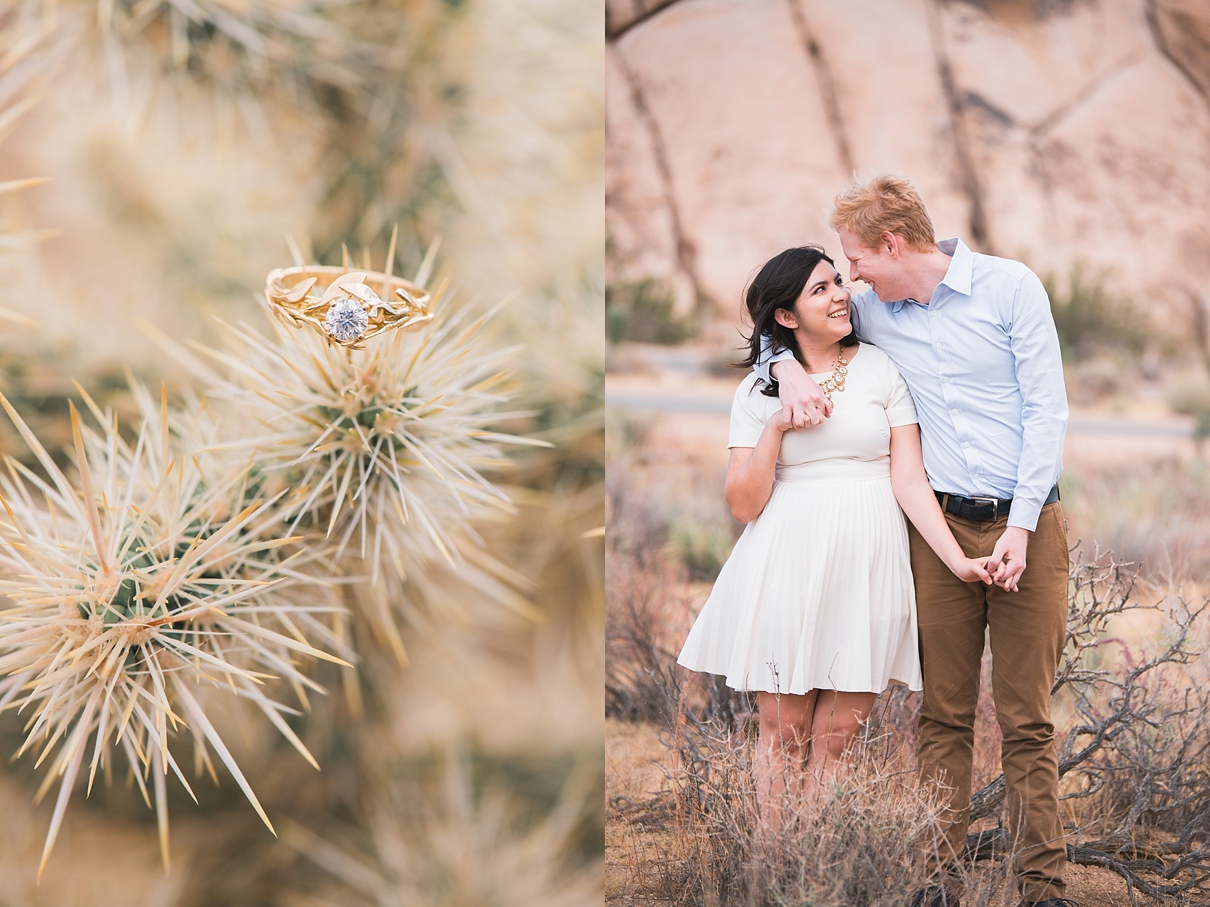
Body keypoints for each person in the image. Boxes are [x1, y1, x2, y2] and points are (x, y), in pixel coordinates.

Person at [757, 175, 1071, 907]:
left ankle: (1044, 887)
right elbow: (783, 327)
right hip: (938, 532)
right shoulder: (873, 311)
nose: (851, 279)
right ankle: (936, 881)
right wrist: (778, 368)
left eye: (856, 260)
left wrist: (1020, 528)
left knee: (1027, 718)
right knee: (945, 714)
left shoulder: (1010, 288)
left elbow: (1048, 413)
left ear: (892, 245)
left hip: (1030, 522)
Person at [677, 244, 991, 835]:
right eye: (819, 289)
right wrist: (776, 424)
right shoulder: (756, 394)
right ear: (786, 316)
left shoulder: (880, 369)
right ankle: (774, 873)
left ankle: (816, 873)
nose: (841, 294)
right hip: (786, 563)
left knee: (837, 738)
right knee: (783, 733)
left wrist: (958, 559)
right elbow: (743, 502)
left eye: (838, 282)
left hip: (869, 565)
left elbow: (909, 480)